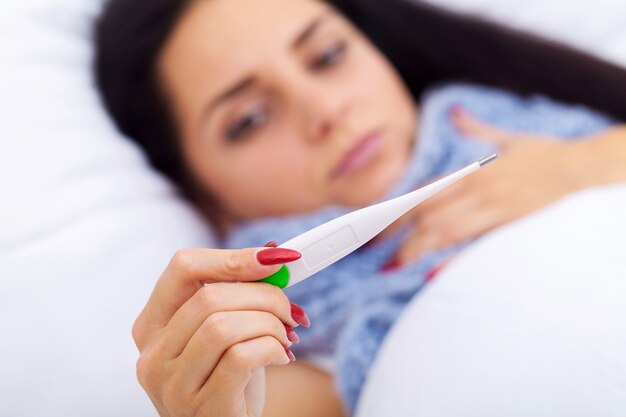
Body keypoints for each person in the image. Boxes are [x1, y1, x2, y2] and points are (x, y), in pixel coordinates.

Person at [94, 0, 626, 416]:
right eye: (250, 119)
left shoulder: (529, 120)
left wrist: (589, 163)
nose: (325, 111)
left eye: (327, 56)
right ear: (204, 197)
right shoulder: (278, 352)